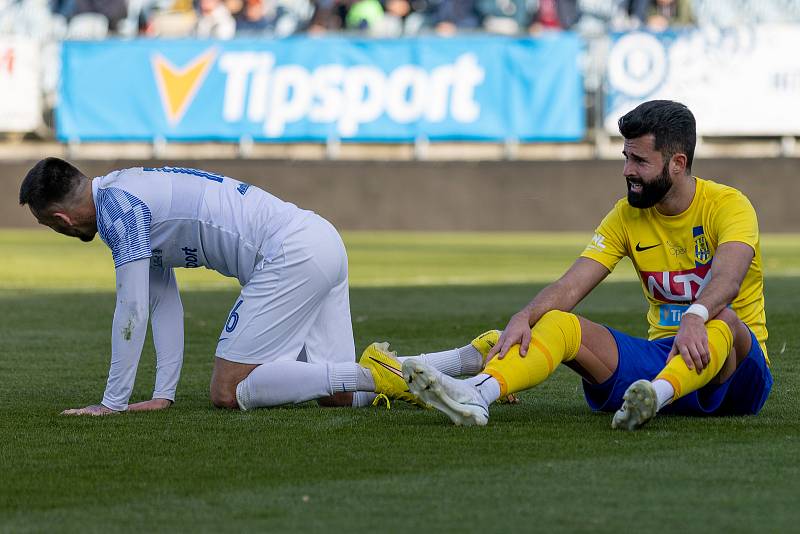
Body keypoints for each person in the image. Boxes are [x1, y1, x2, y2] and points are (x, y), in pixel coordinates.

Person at [377, 100, 773, 430]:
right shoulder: (625, 215)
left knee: (724, 319)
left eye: (639, 160)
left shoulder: (728, 205)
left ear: (677, 163)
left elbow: (729, 277)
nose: (627, 171)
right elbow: (570, 286)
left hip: (737, 373)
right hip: (663, 356)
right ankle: (479, 393)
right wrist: (525, 315)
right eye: (625, 157)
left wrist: (695, 316)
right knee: (558, 321)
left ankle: (659, 395)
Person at [18, 159, 432, 415]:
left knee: (228, 389)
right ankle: (463, 362)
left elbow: (132, 310)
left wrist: (112, 403)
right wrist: (163, 394)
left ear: (61, 219)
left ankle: (375, 374)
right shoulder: (126, 189)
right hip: (319, 237)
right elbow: (161, 299)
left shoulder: (119, 211)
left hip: (289, 254)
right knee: (340, 396)